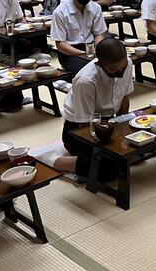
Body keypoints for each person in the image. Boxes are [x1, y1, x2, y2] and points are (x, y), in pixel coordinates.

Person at [53, 38, 132, 181]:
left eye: (123, 67)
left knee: (138, 148)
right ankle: (57, 162)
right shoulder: (86, 81)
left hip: (109, 122)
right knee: (109, 169)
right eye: (114, 70)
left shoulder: (127, 64)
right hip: (78, 131)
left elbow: (124, 97)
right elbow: (84, 127)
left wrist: (122, 129)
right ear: (100, 64)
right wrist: (112, 144)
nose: (120, 72)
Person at [51, 0, 108, 75]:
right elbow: (60, 44)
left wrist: (98, 50)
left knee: (112, 64)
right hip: (70, 52)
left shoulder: (95, 8)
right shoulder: (60, 12)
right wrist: (82, 54)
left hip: (91, 48)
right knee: (88, 72)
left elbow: (99, 34)